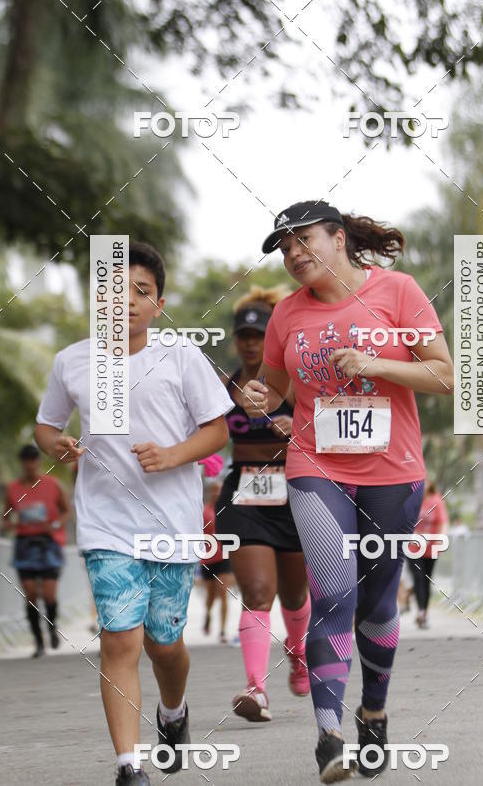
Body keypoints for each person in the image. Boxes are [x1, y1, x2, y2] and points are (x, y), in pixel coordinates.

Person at [241, 200, 453, 782]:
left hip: (394, 470)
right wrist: (258, 398)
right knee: (333, 591)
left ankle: (374, 712)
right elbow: (277, 387)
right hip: (316, 465)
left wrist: (374, 364)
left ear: (338, 238)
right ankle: (329, 735)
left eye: (303, 241)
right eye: (284, 248)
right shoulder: (286, 314)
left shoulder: (399, 293)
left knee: (380, 602)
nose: (293, 255)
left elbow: (446, 375)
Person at [34, 241, 234, 786]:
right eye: (112, 290)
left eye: (140, 292)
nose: (124, 301)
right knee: (120, 638)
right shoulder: (72, 361)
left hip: (172, 523)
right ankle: (130, 766)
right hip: (106, 522)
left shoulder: (181, 356)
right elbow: (46, 425)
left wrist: (172, 455)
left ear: (159, 303)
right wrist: (57, 445)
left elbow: (217, 429)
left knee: (163, 643)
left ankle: (174, 713)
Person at [215, 285, 311, 722]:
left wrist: (300, 425)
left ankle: (299, 655)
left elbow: (331, 420)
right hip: (244, 494)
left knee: (295, 594)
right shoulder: (223, 384)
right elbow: (208, 436)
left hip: (294, 492)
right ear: (236, 340)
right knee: (257, 591)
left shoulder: (296, 381)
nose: (251, 343)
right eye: (244, 336)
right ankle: (256, 689)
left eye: (260, 335)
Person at [3, 444, 71, 657]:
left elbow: (67, 511)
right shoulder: (13, 488)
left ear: (38, 462)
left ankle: (52, 626)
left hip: (49, 543)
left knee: (49, 594)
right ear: (22, 463)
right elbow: (5, 516)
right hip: (25, 544)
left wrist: (56, 525)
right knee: (30, 594)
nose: (30, 464)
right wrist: (12, 527)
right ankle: (38, 642)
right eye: (26, 460)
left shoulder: (53, 485)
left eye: (33, 459)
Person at [199, 456, 236, 643]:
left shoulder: (228, 509)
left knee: (223, 594)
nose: (217, 493)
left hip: (224, 558)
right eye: (214, 490)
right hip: (207, 559)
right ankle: (207, 613)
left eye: (220, 490)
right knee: (211, 597)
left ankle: (222, 631)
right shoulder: (204, 511)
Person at [406, 479, 449, 629]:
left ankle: (423, 613)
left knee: (426, 580)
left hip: (431, 547)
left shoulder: (436, 501)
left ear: (430, 485)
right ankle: (421, 613)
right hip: (412, 547)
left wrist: (442, 539)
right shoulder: (410, 500)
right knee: (418, 578)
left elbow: (443, 522)